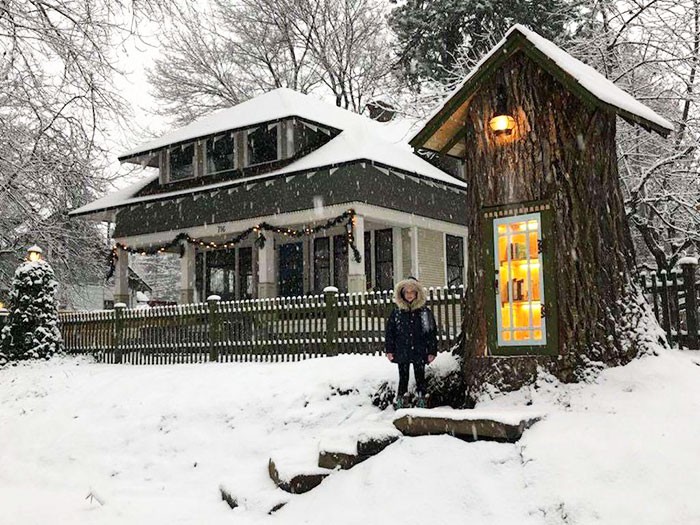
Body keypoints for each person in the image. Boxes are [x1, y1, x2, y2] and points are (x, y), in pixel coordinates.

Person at [385, 276, 438, 409]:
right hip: (402, 350)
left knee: (420, 376)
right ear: (402, 294)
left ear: (417, 293)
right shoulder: (397, 313)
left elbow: (431, 333)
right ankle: (402, 398)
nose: (409, 295)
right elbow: (390, 332)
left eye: (412, 292)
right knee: (403, 376)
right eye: (406, 292)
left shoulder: (424, 313)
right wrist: (389, 350)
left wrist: (432, 351)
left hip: (420, 350)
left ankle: (422, 398)